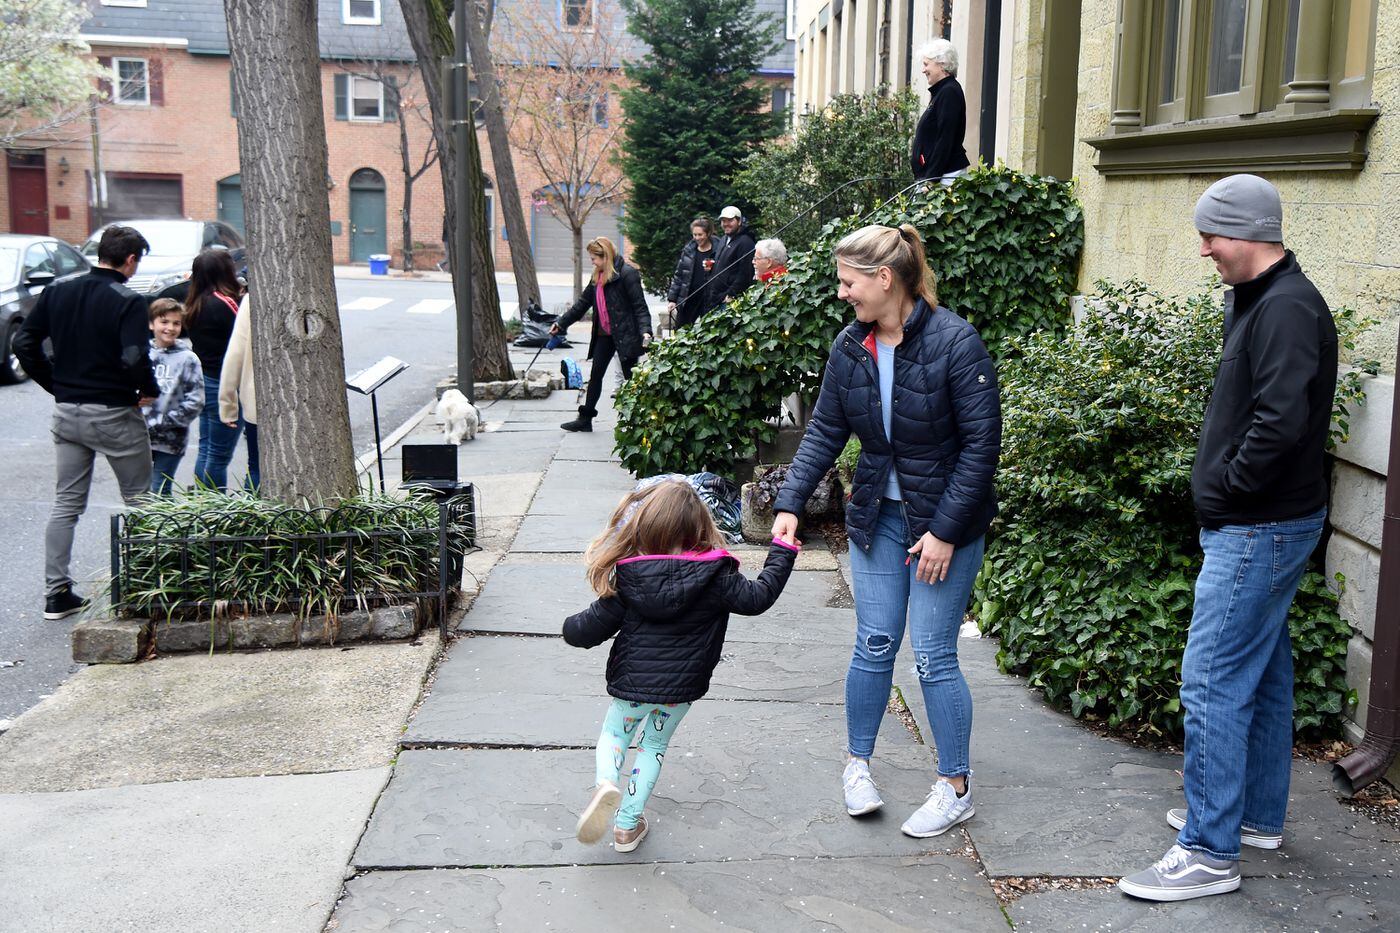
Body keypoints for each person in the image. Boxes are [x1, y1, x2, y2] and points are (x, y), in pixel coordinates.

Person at [1119, 175, 1337, 903]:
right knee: (1265, 671)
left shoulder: (1286, 307)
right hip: (1263, 521)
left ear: (1248, 233)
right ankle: (1253, 818)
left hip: (1258, 524)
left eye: (1211, 235)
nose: (1204, 249)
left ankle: (1209, 850)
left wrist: (1229, 488)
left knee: (1211, 677)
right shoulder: (1257, 298)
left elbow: (1280, 422)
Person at [771, 223, 1000, 837]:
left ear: (884, 278)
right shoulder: (851, 346)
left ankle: (955, 787)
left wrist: (945, 532)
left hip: (943, 526)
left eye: (849, 282)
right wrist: (791, 501)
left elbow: (981, 448)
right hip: (879, 520)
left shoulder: (956, 341)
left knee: (932, 654)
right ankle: (858, 767)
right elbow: (826, 429)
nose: (842, 293)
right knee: (874, 643)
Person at [563, 480, 800, 851]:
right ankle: (626, 826)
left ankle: (606, 783)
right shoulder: (718, 577)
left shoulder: (630, 578)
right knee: (653, 745)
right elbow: (759, 597)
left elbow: (588, 629)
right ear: (699, 528)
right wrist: (782, 551)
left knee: (614, 736)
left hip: (632, 685)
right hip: (681, 689)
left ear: (646, 527)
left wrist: (569, 628)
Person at [13, 225, 159, 620]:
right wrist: (147, 390)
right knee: (140, 501)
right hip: (113, 412)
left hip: (68, 411)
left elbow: (23, 343)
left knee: (66, 504)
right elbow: (134, 355)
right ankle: (144, 588)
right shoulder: (128, 300)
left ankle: (56, 593)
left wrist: (54, 384)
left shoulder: (57, 291)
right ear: (131, 259)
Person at [551, 237, 653, 433]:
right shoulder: (597, 277)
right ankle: (585, 419)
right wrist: (561, 324)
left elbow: (640, 306)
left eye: (594, 259)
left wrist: (645, 331)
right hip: (604, 334)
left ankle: (641, 422)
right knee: (596, 374)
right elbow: (582, 305)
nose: (592, 262)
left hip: (626, 334)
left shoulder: (627, 274)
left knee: (631, 379)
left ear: (605, 256)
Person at [183, 248, 245, 490]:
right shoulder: (224, 304)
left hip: (204, 380)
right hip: (224, 384)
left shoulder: (195, 303)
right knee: (219, 455)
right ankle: (215, 504)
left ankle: (203, 499)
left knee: (206, 447)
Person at [143, 298, 205, 495]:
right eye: (164, 322)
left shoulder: (188, 359)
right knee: (139, 491)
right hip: (139, 435)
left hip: (171, 437)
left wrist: (164, 422)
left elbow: (196, 400)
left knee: (160, 489)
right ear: (151, 324)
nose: (170, 328)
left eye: (176, 323)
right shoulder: (141, 353)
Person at [910, 39, 971, 186]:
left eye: (926, 64)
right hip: (937, 177)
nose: (923, 70)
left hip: (944, 178)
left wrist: (931, 180)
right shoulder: (942, 91)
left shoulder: (949, 92)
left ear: (942, 64)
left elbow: (945, 138)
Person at [218, 295, 260, 492]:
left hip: (257, 403)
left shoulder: (253, 300)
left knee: (257, 468)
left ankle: (255, 510)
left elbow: (235, 355)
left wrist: (227, 405)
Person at [665, 217, 720, 330]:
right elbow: (679, 275)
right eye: (695, 235)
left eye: (700, 234)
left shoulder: (719, 249)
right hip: (689, 297)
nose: (697, 238)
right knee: (681, 331)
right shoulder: (689, 250)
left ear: (708, 233)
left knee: (709, 332)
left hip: (709, 299)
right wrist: (672, 299)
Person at [714, 206, 757, 300]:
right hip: (717, 297)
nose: (726, 224)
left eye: (730, 220)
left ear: (739, 221)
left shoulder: (746, 242)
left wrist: (730, 294)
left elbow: (746, 274)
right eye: (723, 221)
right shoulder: (723, 239)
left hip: (731, 300)